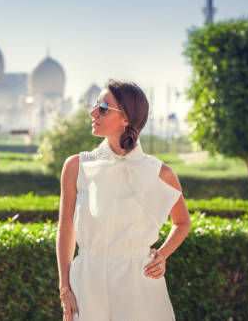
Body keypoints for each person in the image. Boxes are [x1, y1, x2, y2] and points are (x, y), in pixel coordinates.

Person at [56, 80, 191, 320]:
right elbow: (66, 228)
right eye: (95, 105)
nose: (93, 112)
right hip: (87, 281)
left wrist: (162, 254)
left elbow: (182, 223)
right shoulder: (77, 166)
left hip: (139, 282)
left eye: (104, 107)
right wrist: (64, 287)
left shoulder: (161, 173)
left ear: (126, 118)